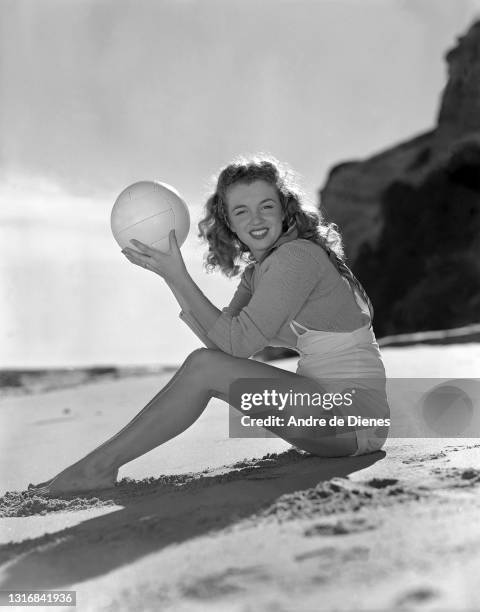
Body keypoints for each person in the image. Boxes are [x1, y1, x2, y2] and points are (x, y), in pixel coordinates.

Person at [31, 154, 389, 494]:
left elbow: (235, 347)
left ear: (284, 210)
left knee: (203, 367)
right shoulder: (259, 273)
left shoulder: (297, 258)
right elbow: (221, 346)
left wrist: (179, 275)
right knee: (203, 366)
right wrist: (170, 276)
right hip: (332, 418)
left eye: (267, 206)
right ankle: (99, 465)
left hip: (350, 419)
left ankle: (97, 467)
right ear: (229, 222)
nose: (256, 219)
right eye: (241, 211)